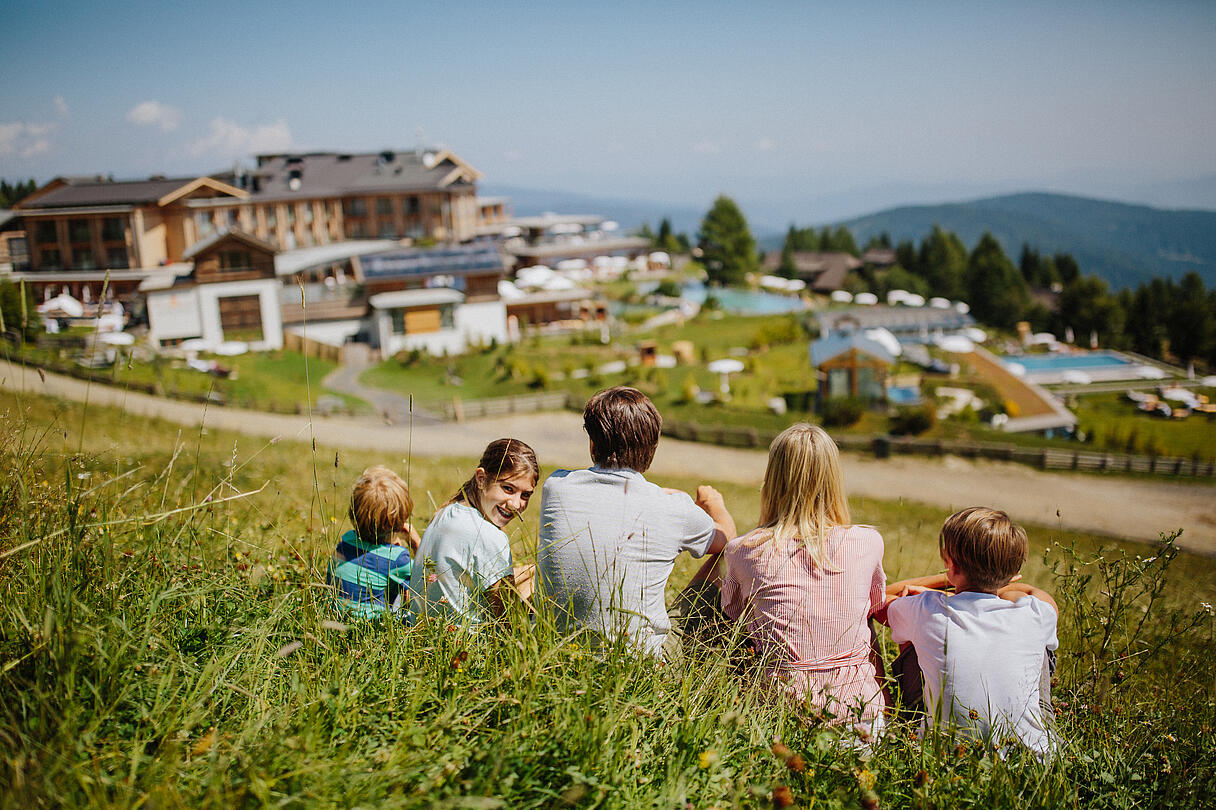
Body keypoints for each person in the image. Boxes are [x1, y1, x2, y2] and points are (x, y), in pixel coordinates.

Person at [538, 386, 737, 658]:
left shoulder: (556, 486)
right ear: (652, 448)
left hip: (558, 655)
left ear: (593, 444)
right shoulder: (673, 509)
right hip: (641, 666)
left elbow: (611, 498)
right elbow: (727, 538)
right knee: (727, 558)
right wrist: (715, 504)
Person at [718, 423, 887, 736]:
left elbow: (733, 617)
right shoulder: (868, 542)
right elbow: (873, 609)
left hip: (782, 718)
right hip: (861, 717)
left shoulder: (744, 551)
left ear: (773, 479)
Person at [875, 506, 1060, 758]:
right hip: (1033, 759)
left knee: (916, 637)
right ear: (1014, 573)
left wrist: (941, 584)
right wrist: (1002, 581)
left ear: (951, 564)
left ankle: (913, 714)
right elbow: (1041, 596)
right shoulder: (1038, 614)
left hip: (944, 754)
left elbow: (882, 598)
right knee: (1042, 647)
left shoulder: (927, 609)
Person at [408, 438, 539, 626]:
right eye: (508, 489)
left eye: (525, 495)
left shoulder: (446, 511)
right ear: (481, 478)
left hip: (422, 629)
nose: (516, 504)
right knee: (539, 583)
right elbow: (506, 622)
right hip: (468, 646)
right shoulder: (490, 536)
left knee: (533, 571)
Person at [327, 465, 422, 619]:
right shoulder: (397, 559)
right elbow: (427, 580)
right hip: (373, 626)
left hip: (335, 617)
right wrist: (416, 544)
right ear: (399, 524)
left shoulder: (346, 541)